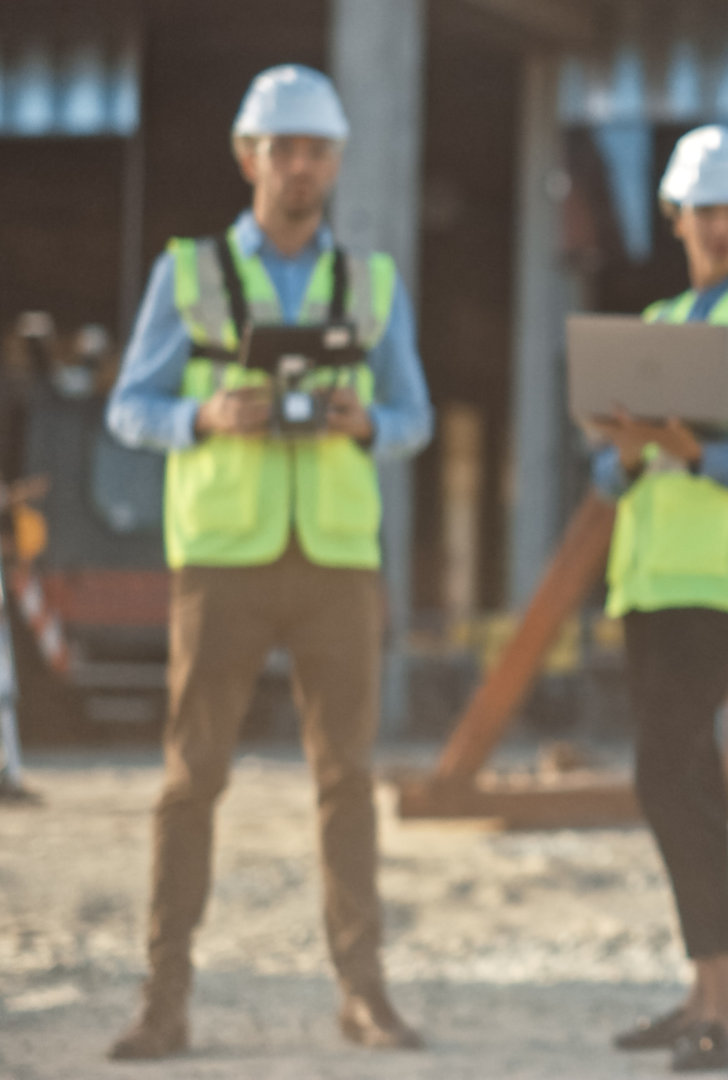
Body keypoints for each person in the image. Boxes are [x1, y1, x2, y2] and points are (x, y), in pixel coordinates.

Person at [102, 64, 432, 1060]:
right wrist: (201, 413)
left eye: (316, 150)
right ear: (251, 156)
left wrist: (366, 419)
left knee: (347, 780)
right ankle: (164, 998)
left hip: (336, 560)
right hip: (222, 562)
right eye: (282, 148)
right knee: (190, 780)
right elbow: (128, 407)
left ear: (335, 163)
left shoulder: (373, 285)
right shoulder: (189, 274)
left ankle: (362, 993)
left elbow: (413, 416)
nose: (299, 166)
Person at [589, 124, 728, 1072]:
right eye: (705, 211)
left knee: (669, 773)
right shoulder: (665, 316)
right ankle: (706, 994)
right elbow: (607, 481)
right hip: (649, 582)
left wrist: (689, 451)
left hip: (719, 581)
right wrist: (632, 449)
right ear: (675, 216)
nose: (719, 227)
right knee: (679, 779)